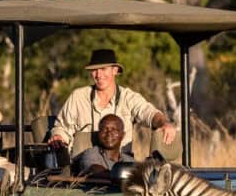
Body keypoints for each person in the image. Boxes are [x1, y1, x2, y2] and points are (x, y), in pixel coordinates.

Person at [47, 48, 177, 155]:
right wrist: (58, 137)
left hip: (120, 164)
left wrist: (164, 123)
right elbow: (62, 127)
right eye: (94, 70)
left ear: (115, 70)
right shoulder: (78, 96)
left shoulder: (128, 97)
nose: (98, 75)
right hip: (83, 167)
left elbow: (149, 113)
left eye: (103, 69)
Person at [72, 114, 134, 179]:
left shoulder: (129, 160)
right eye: (104, 129)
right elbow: (94, 170)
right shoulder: (90, 153)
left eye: (114, 129)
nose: (109, 133)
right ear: (99, 134)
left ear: (123, 135)